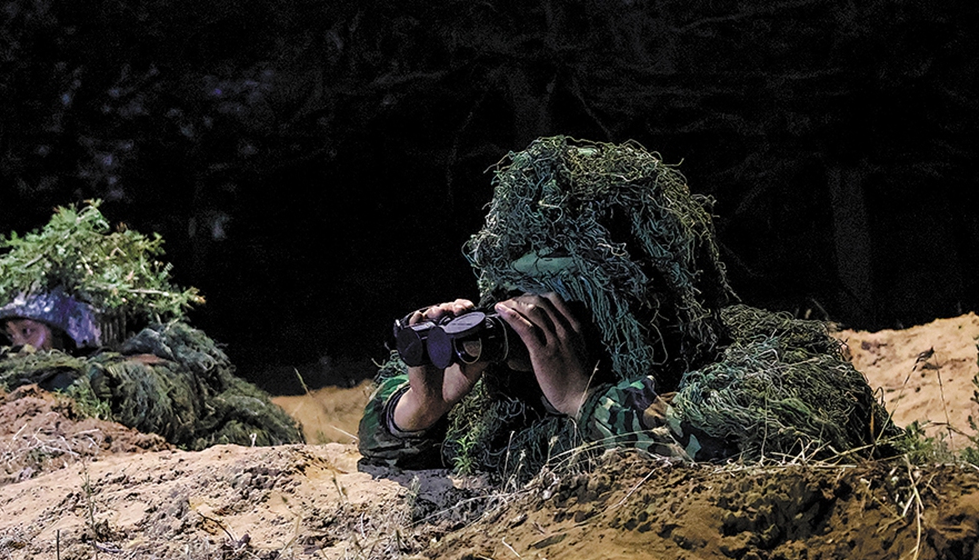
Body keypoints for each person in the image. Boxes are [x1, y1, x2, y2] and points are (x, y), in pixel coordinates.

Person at [359, 137, 895, 476]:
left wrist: (584, 400)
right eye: (508, 292)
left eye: (562, 298)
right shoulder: (502, 400)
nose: (521, 316)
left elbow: (749, 440)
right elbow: (379, 448)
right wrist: (422, 408)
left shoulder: (750, 359)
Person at [0, 201, 303, 451]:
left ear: (70, 331)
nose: (24, 347)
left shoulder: (115, 374)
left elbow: (32, 372)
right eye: (14, 335)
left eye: (29, 331)